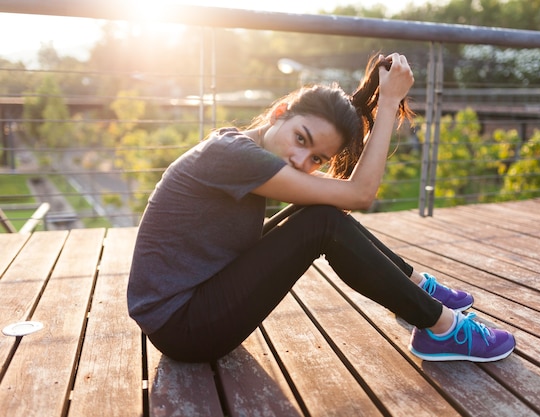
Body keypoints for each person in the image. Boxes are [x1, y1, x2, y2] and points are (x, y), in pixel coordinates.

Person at [127, 53, 515, 364]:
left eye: (316, 158)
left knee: (318, 214)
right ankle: (442, 328)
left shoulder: (240, 148)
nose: (300, 160)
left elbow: (347, 196)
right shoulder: (232, 156)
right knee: (323, 222)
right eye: (300, 138)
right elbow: (360, 194)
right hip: (184, 327)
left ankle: (418, 288)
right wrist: (390, 103)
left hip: (199, 299)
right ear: (280, 111)